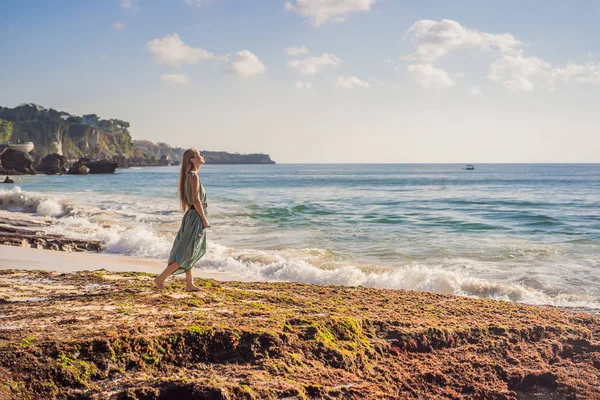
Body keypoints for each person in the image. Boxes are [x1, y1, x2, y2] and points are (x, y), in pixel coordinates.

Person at [154, 149, 211, 291]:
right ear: (193, 160)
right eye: (199, 154)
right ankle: (160, 279)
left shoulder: (189, 175)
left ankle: (189, 284)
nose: (202, 156)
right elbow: (196, 200)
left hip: (191, 215)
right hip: (195, 216)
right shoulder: (193, 176)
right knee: (187, 252)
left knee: (191, 250)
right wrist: (204, 219)